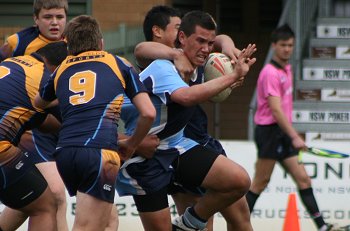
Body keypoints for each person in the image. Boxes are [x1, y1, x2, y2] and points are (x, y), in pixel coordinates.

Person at [116, 10, 256, 231]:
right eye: (200, 41)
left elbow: (218, 39)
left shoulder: (200, 61)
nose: (207, 48)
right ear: (181, 38)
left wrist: (228, 50)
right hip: (144, 156)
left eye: (209, 43)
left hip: (178, 145)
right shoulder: (163, 66)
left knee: (239, 182)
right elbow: (185, 97)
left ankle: (189, 223)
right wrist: (232, 76)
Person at [34, 15, 156, 231]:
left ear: (69, 46)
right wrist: (133, 143)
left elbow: (39, 102)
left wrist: (67, 96)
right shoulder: (118, 62)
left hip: (65, 152)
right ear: (101, 42)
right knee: (87, 227)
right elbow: (148, 113)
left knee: (109, 220)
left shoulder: (61, 69)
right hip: (97, 152)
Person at [246, 24, 336, 231]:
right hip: (269, 132)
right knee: (260, 183)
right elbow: (276, 111)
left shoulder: (287, 68)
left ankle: (322, 227)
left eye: (290, 45)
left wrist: (290, 135)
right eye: (283, 45)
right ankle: (238, 223)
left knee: (303, 179)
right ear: (274, 46)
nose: (287, 49)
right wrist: (295, 136)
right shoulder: (270, 72)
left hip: (282, 133)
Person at [0, 1, 69, 230]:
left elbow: (42, 119)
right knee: (46, 203)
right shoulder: (43, 77)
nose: (55, 22)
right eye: (48, 16)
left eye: (59, 16)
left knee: (30, 196)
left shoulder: (13, 63)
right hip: (9, 143)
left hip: (18, 129)